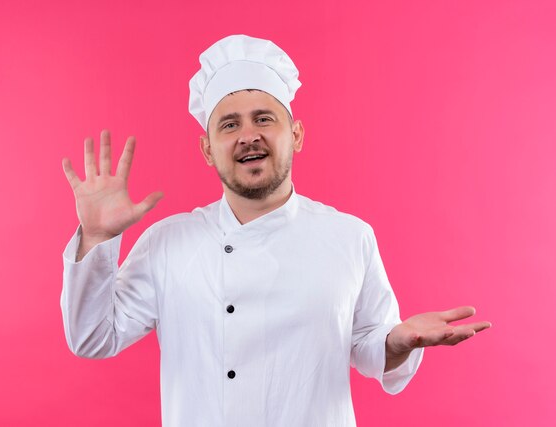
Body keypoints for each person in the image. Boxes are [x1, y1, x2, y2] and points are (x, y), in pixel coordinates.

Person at [60, 35, 491, 426]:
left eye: (264, 118)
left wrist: (398, 342)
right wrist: (96, 238)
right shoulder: (168, 242)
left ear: (296, 134)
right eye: (229, 125)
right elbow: (93, 338)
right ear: (207, 149)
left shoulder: (349, 237)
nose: (249, 136)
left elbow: (369, 344)